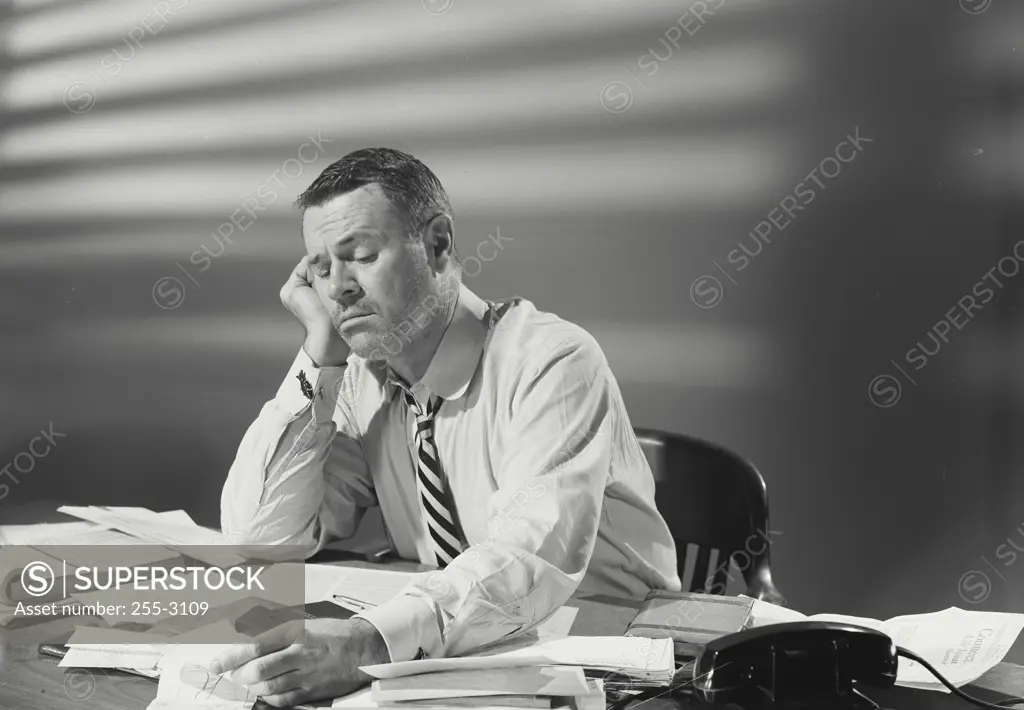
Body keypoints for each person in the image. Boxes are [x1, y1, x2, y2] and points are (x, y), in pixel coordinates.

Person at [211, 147, 680, 706]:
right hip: (460, 659)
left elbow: (528, 557)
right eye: (319, 267)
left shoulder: (552, 361)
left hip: (608, 661)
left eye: (358, 254)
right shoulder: (362, 381)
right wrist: (319, 358)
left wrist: (367, 645)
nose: (337, 288)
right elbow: (259, 546)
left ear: (436, 245)